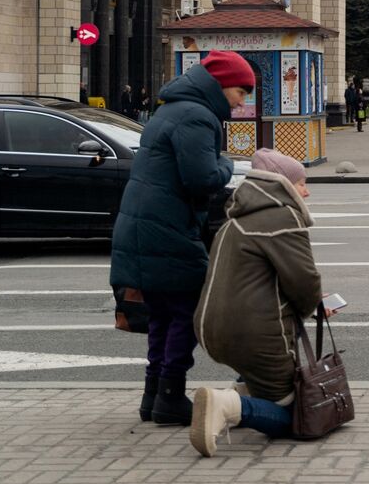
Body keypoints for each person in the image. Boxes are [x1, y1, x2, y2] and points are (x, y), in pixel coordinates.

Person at [109, 50, 254, 426]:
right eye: (241, 92)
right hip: (167, 225)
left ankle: (153, 395)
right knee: (189, 310)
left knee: (161, 312)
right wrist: (228, 162)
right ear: (222, 86)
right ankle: (170, 396)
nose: (243, 102)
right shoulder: (197, 115)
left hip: (145, 221)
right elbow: (202, 177)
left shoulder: (173, 108)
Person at [189, 148, 333, 457]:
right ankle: (228, 405)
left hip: (210, 329)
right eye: (301, 183)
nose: (306, 192)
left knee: (264, 380)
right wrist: (310, 308)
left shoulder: (235, 220)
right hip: (253, 335)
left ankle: (235, 396)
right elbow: (304, 281)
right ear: (281, 185)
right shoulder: (283, 217)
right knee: (294, 416)